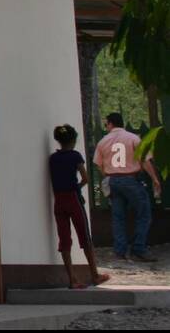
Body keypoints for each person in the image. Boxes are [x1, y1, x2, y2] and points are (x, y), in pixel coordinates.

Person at [94, 112, 161, 262]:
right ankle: (138, 248)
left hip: (113, 181)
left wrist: (108, 175)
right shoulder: (133, 138)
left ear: (110, 124)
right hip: (131, 179)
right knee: (144, 213)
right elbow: (144, 160)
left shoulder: (103, 141)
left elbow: (99, 164)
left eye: (106, 124)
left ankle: (120, 250)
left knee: (118, 217)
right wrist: (154, 179)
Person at [49, 125, 110, 289]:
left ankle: (72, 279)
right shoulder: (75, 156)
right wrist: (78, 187)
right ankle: (95, 275)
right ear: (74, 140)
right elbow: (86, 178)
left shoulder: (53, 158)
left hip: (58, 200)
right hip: (73, 198)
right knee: (85, 236)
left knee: (64, 239)